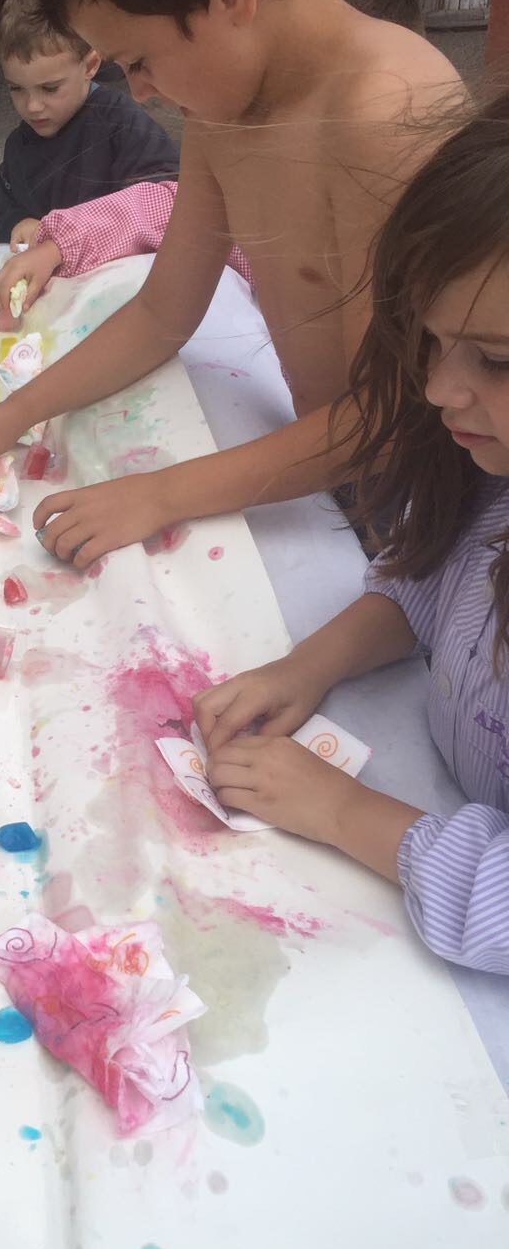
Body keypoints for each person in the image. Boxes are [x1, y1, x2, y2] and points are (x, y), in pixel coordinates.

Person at [0, 0, 459, 568]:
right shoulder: (226, 104)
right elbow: (164, 312)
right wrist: (20, 410)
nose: (139, 92)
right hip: (327, 481)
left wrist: (160, 494)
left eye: (139, 61)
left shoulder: (386, 115)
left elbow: (387, 416)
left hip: (429, 514)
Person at [196, 95, 509, 975]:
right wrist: (305, 668)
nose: (438, 389)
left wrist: (343, 812)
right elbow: (429, 582)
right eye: (433, 341)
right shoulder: (492, 475)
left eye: (496, 359)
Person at [0, 0, 178, 247]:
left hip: (113, 266)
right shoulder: (20, 145)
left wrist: (67, 234)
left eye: (50, 88)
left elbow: (167, 203)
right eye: (16, 88)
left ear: (90, 65)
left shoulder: (124, 126)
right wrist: (18, 223)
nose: (32, 106)